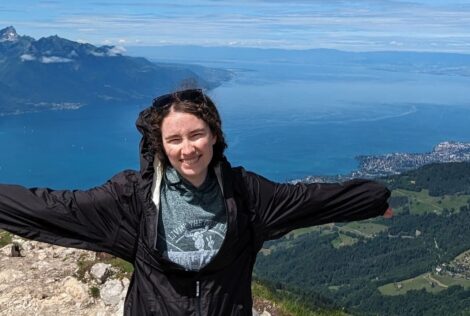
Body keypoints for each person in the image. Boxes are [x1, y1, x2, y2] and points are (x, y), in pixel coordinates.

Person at [0, 88, 392, 315]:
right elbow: (53, 206)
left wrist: (374, 200)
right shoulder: (131, 200)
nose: (187, 149)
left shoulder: (247, 194)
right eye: (174, 139)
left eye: (197, 134)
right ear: (161, 146)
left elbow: (309, 200)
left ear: (215, 135)